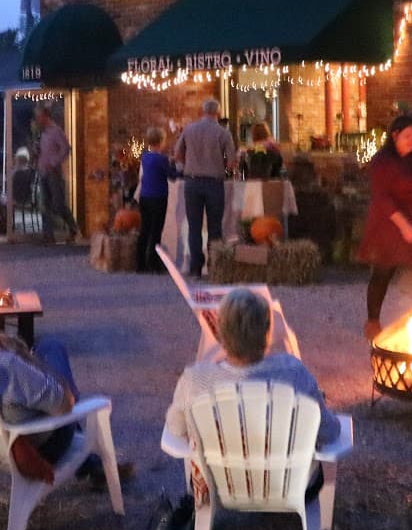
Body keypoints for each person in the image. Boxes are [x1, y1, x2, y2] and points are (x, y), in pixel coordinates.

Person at [0, 286, 122, 485]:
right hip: (41, 444)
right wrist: (23, 357)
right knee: (51, 346)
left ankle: (91, 464)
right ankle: (92, 464)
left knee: (46, 350)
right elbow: (66, 403)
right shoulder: (6, 366)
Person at [166, 289, 340, 467]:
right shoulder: (294, 374)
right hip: (287, 491)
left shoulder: (195, 380)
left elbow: (176, 428)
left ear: (221, 333)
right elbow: (329, 432)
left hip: (218, 491)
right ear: (267, 333)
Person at [357, 115, 412, 340]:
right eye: (407, 136)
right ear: (395, 135)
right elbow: (382, 198)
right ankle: (373, 321)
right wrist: (404, 225)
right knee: (382, 272)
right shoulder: (382, 162)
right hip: (389, 223)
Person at [172, 99, 236, 275]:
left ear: (202, 111)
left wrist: (188, 165)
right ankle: (215, 265)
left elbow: (177, 154)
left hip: (192, 181)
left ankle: (195, 267)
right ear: (218, 113)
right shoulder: (223, 133)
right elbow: (232, 162)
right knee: (215, 226)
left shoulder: (189, 130)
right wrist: (221, 166)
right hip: (214, 182)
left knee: (194, 226)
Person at [34, 105, 80, 244]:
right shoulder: (43, 133)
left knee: (58, 203)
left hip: (53, 172)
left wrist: (54, 162)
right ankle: (48, 236)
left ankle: (73, 228)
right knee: (45, 204)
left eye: (39, 116)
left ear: (45, 116)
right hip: (43, 170)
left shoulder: (55, 131)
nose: (37, 119)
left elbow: (66, 148)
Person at [135, 127, 176, 272]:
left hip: (145, 196)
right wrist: (173, 164)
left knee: (145, 230)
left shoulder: (145, 157)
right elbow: (172, 175)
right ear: (161, 142)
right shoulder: (162, 159)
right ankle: (153, 263)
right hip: (158, 197)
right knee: (156, 231)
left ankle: (140, 263)